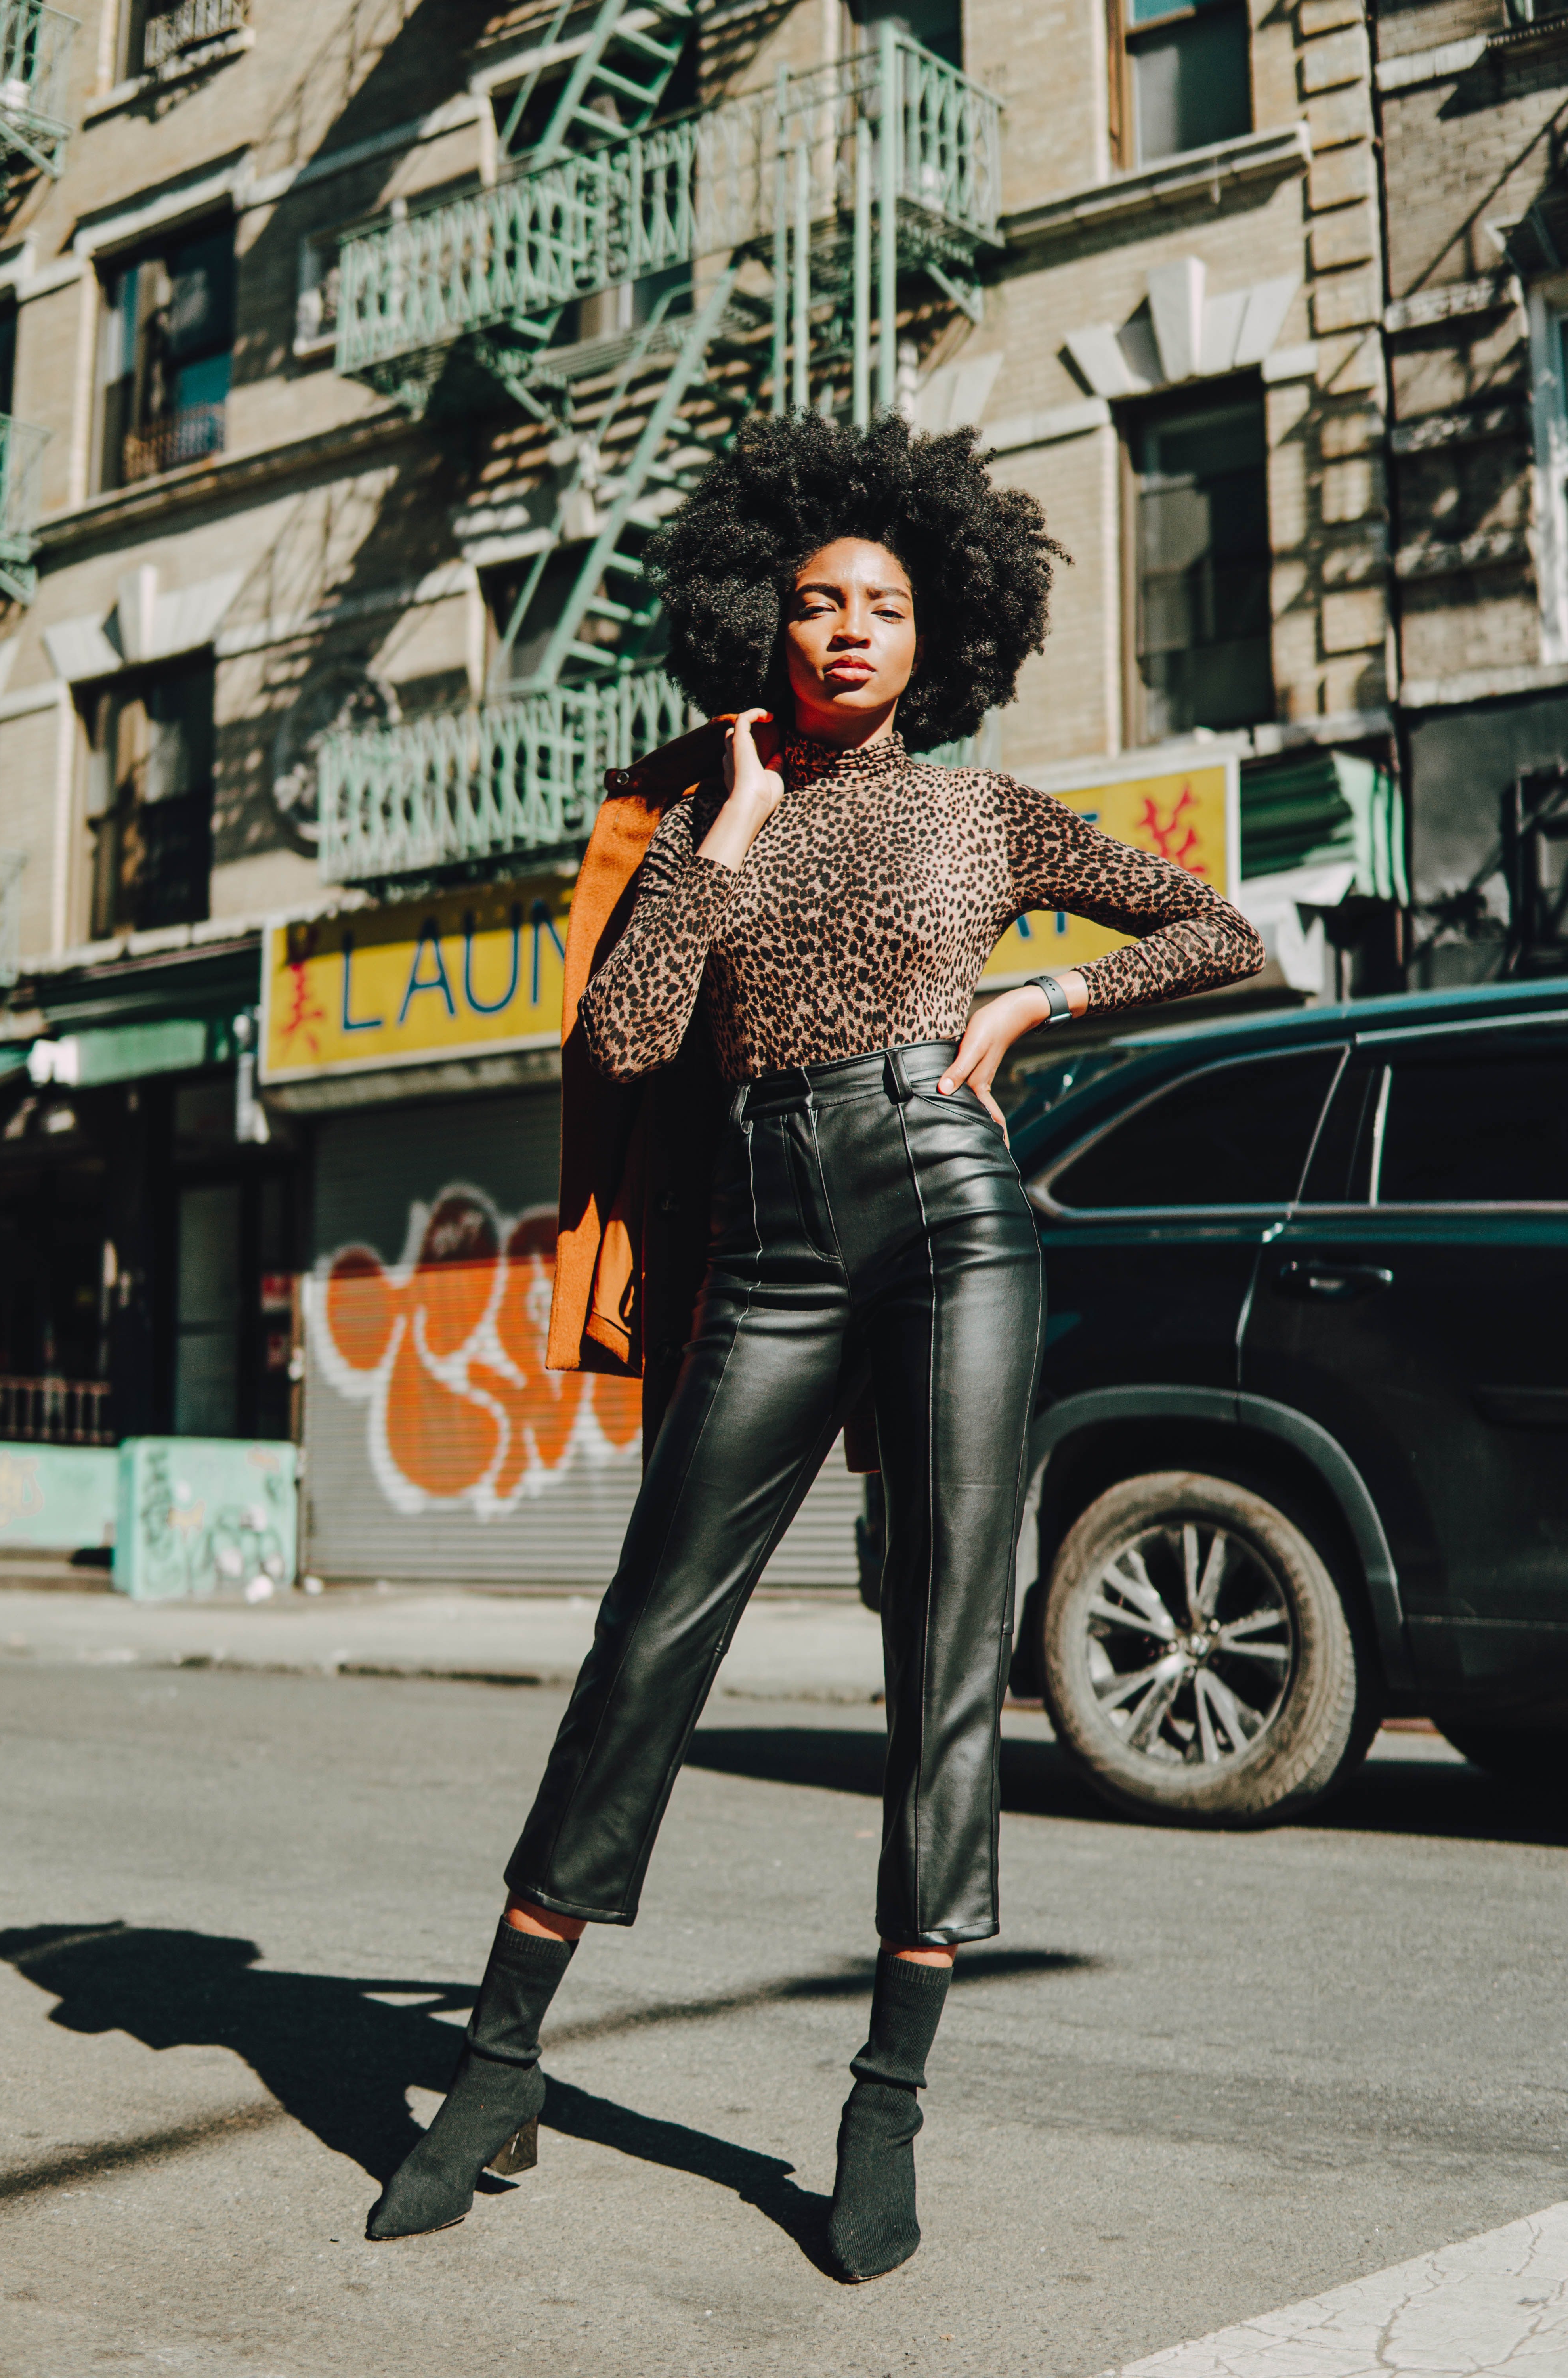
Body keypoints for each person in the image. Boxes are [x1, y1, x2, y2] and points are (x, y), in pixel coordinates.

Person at [366, 410, 1265, 2276]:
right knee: (648, 1630)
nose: (849, 630)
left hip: (948, 1199)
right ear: (759, 627)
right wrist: (736, 827)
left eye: (883, 605)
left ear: (940, 635)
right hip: (766, 1227)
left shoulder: (983, 811)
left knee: (943, 1638)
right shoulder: (695, 816)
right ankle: (498, 2057)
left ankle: (887, 2098)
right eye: (814, 604)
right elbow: (622, 1044)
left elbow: (1218, 932)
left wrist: (1041, 997)